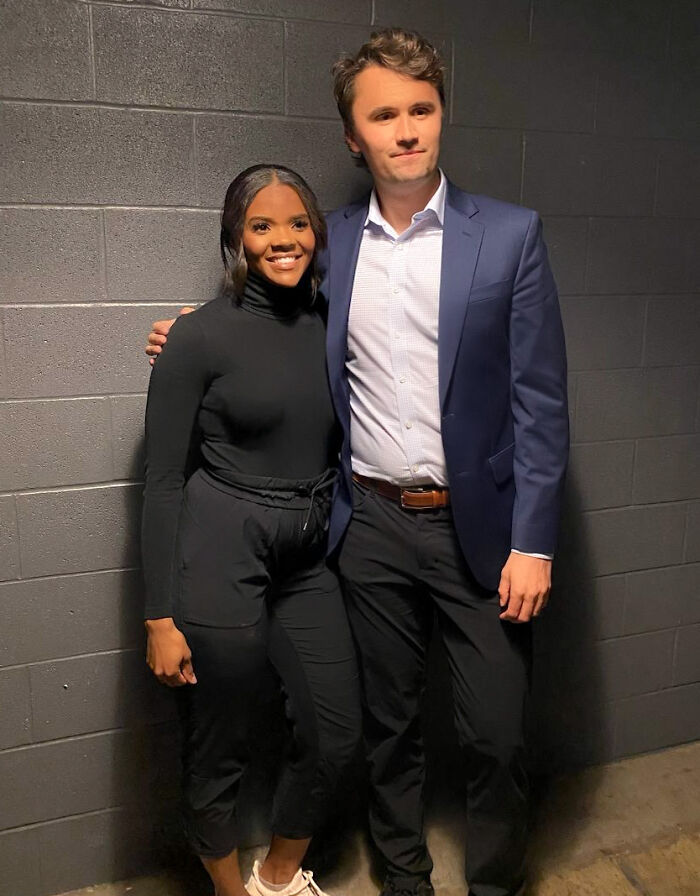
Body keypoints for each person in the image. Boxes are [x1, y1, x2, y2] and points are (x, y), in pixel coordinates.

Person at [147, 28, 569, 896]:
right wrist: (192, 331)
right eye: (384, 116)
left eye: (421, 109)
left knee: (495, 737)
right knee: (387, 728)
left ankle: (494, 886)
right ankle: (404, 880)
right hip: (367, 526)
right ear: (354, 136)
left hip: (484, 529)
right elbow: (269, 294)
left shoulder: (510, 236)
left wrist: (535, 541)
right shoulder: (330, 241)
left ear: (441, 116)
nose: (406, 130)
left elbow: (542, 402)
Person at [142, 164, 360, 896]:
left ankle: (278, 878)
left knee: (335, 731)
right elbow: (162, 481)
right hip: (221, 544)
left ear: (316, 232)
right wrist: (159, 616)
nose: (282, 239)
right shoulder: (196, 337)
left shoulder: (333, 324)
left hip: (307, 550)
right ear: (236, 237)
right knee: (221, 742)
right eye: (261, 225)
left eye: (297, 223)